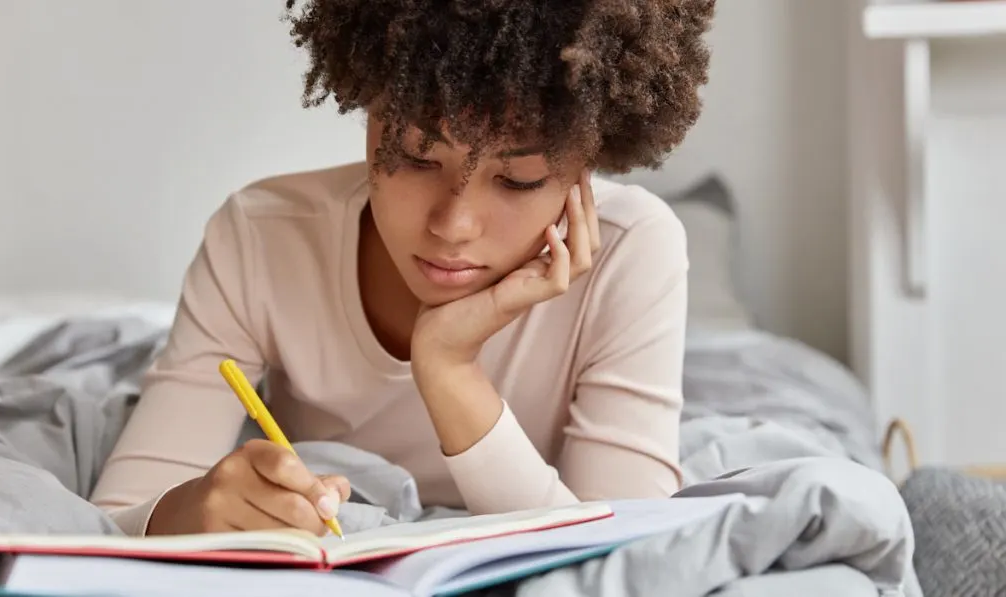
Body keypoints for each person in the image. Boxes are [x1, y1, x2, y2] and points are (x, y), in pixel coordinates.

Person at [89, 0, 716, 537]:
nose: (453, 225)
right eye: (416, 158)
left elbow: (632, 553)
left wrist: (449, 368)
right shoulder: (261, 237)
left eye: (518, 180)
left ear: (589, 162)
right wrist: (188, 511)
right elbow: (112, 520)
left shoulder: (632, 249)